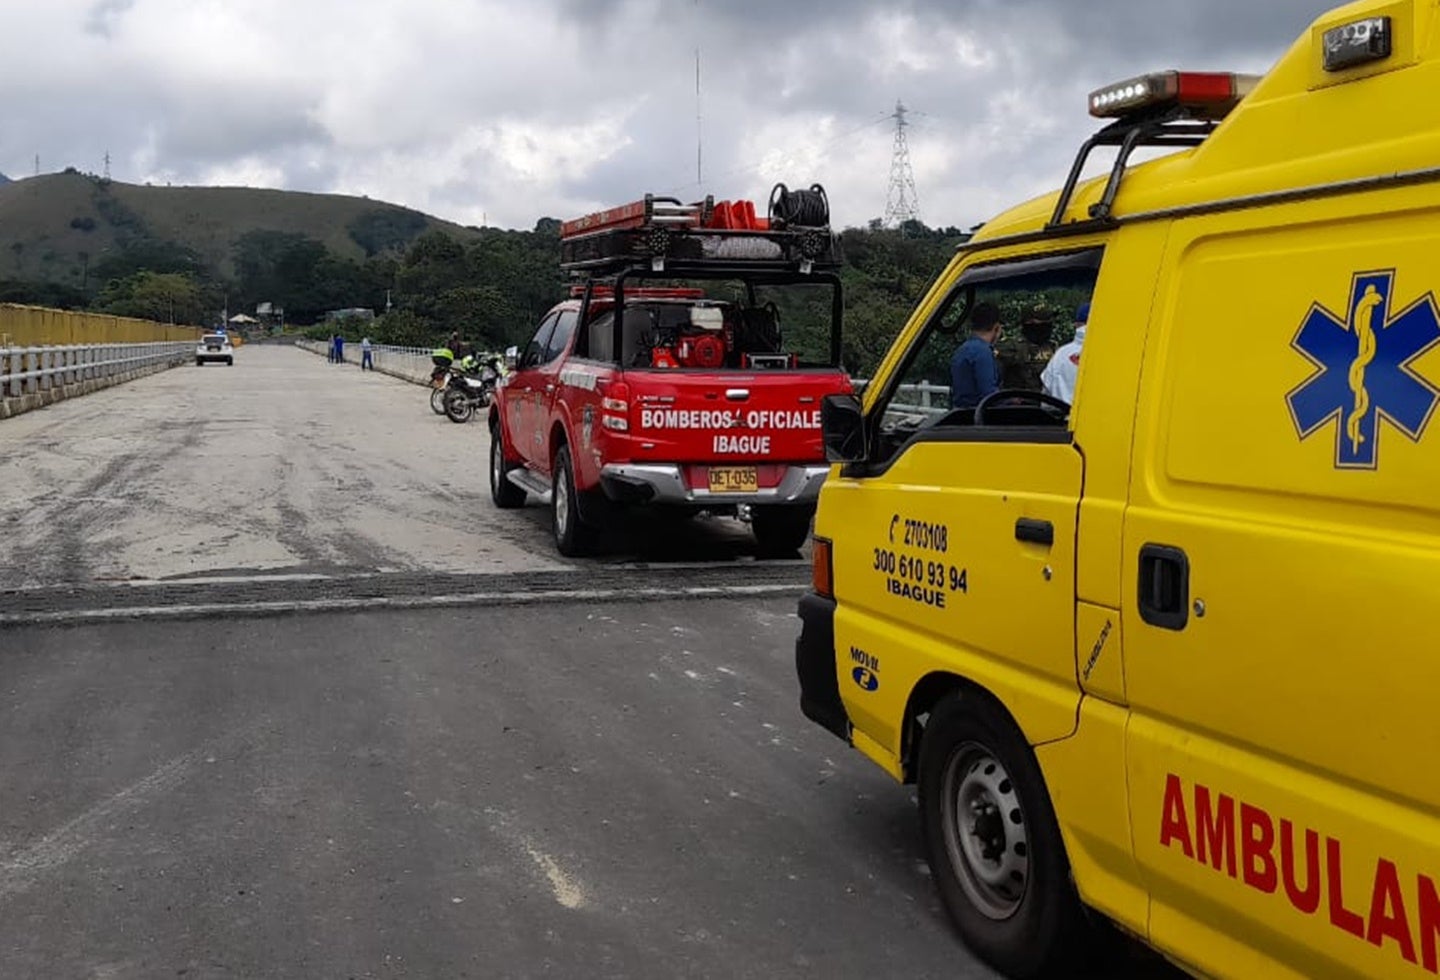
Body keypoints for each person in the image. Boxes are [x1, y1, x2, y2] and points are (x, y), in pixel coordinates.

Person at [949, 302, 1002, 409]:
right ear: (997, 327)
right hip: (977, 418)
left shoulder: (962, 350)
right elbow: (989, 396)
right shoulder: (983, 353)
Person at [1041, 302, 1088, 404]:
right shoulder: (1115, 355)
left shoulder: (1060, 354)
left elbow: (1046, 398)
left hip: (1063, 417)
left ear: (1076, 325)